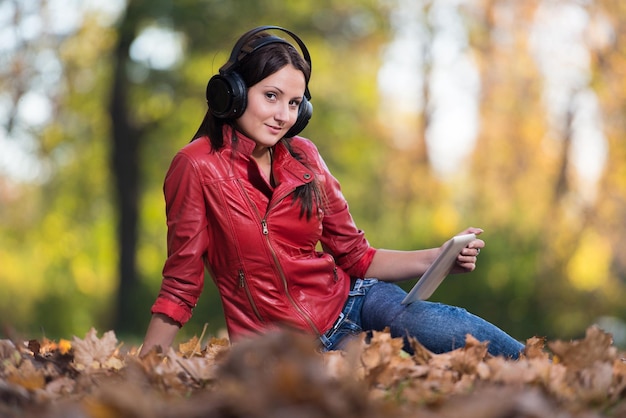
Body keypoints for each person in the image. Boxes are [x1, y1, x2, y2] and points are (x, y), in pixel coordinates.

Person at [139, 26, 525, 359]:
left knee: (423, 322)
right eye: (270, 96)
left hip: (355, 300)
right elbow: (181, 281)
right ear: (233, 93)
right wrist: (144, 372)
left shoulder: (304, 156)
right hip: (282, 349)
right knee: (362, 385)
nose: (282, 116)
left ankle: (545, 366)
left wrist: (438, 257)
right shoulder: (195, 166)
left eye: (293, 104)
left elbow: (357, 256)